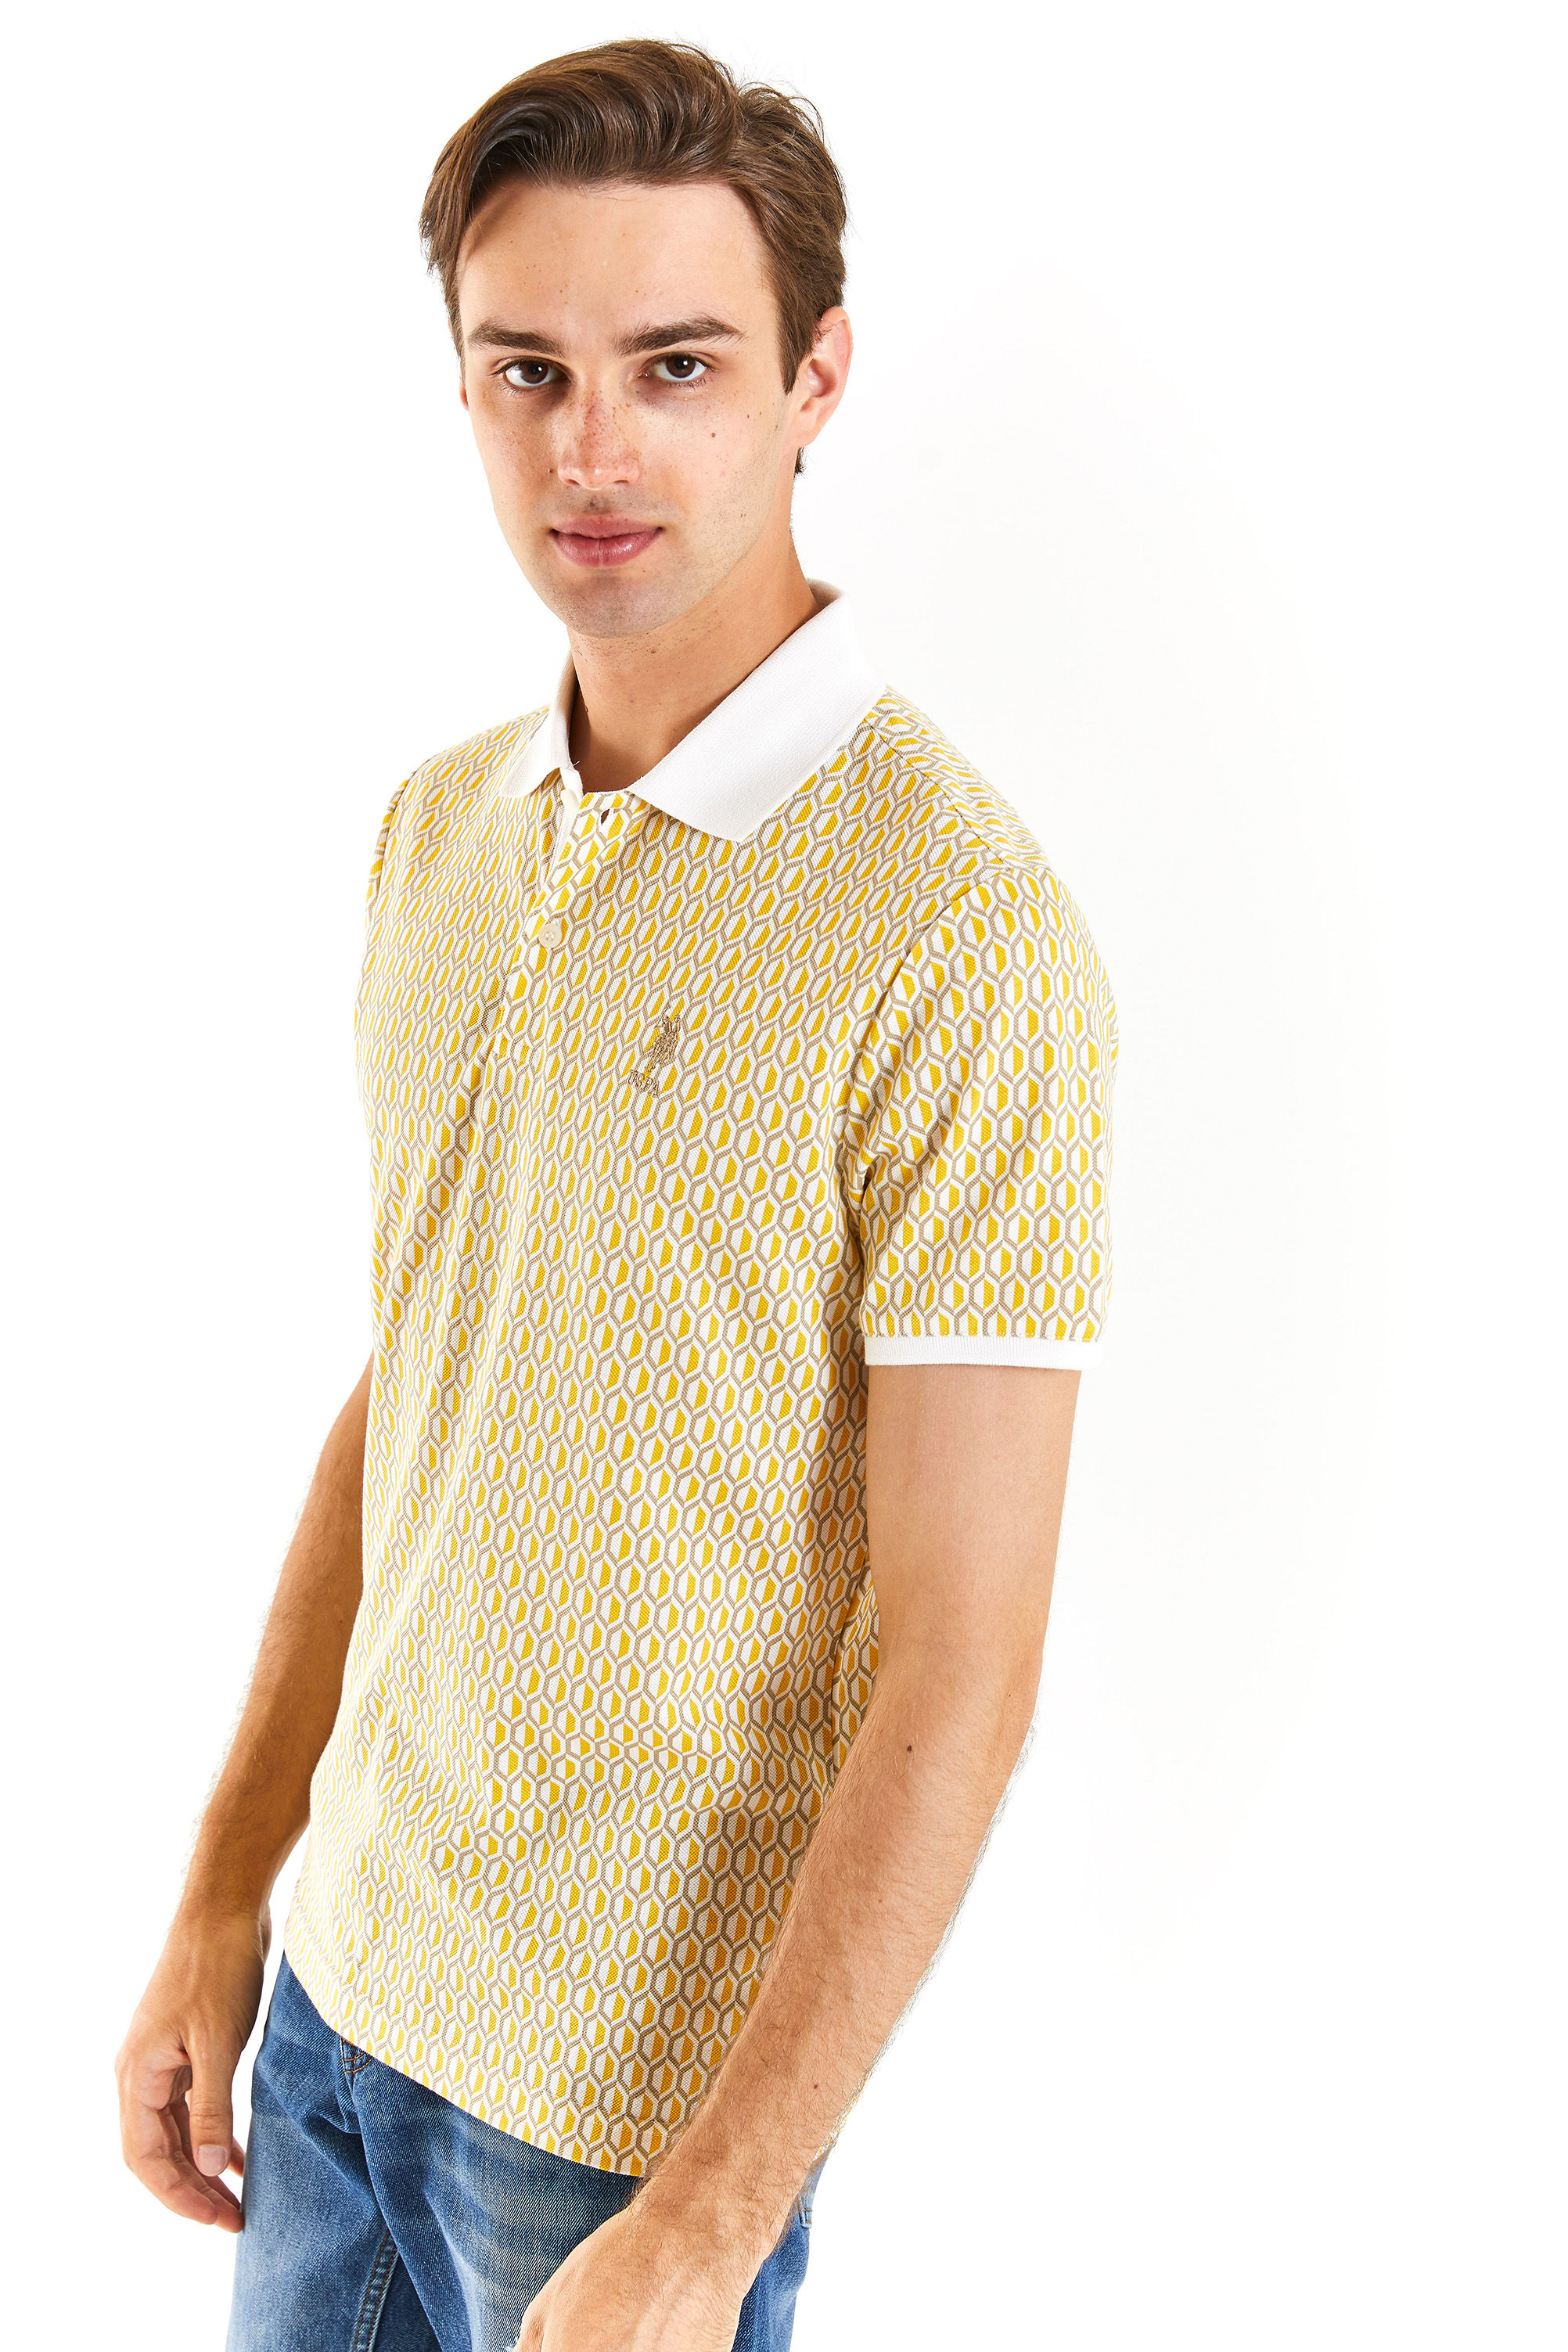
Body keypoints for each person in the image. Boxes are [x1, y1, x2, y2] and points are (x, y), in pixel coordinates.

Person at [115, 38, 1117, 2352]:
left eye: (676, 367)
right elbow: (424, 1378)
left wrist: (706, 2215)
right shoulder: (442, 832)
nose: (592, 450)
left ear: (813, 379)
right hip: (338, 2016)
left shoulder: (959, 931)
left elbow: (964, 1657)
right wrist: (226, 1886)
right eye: (528, 371)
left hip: (617, 2129)